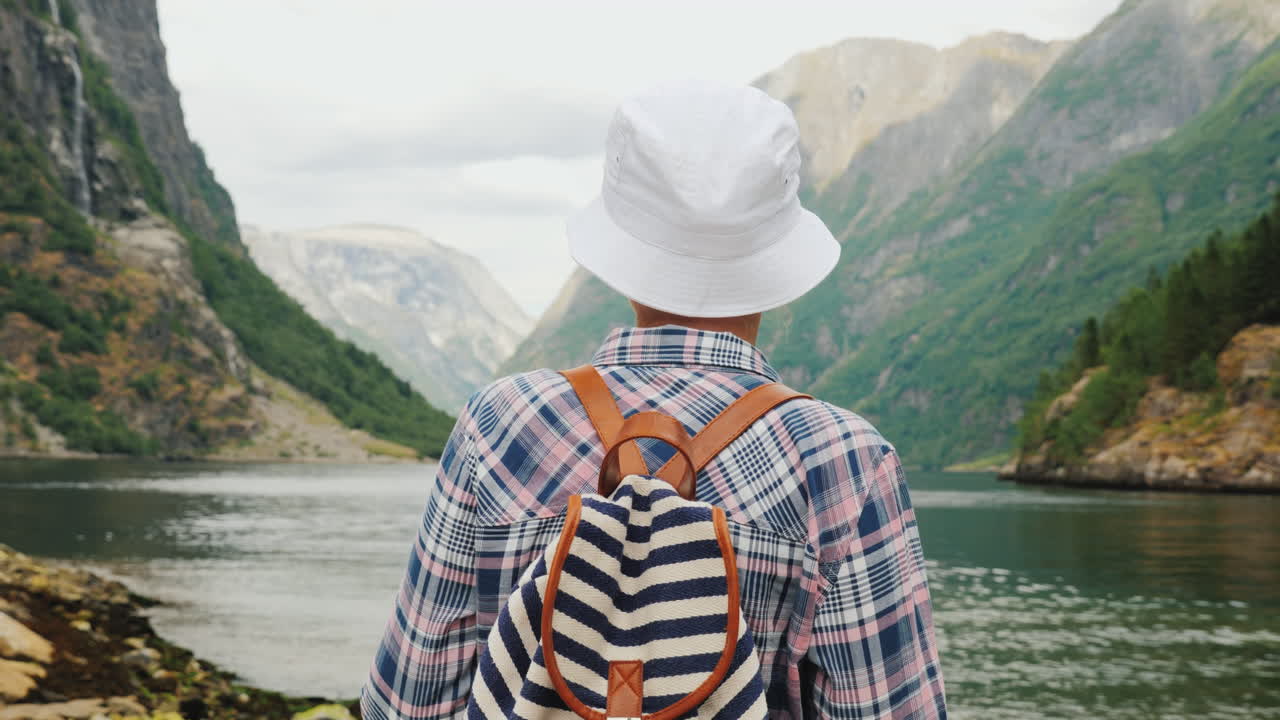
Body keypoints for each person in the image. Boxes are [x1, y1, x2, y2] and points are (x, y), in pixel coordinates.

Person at [361, 80, 946, 720]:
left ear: (620, 251)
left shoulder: (499, 424)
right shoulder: (845, 461)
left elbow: (409, 704)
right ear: (777, 263)